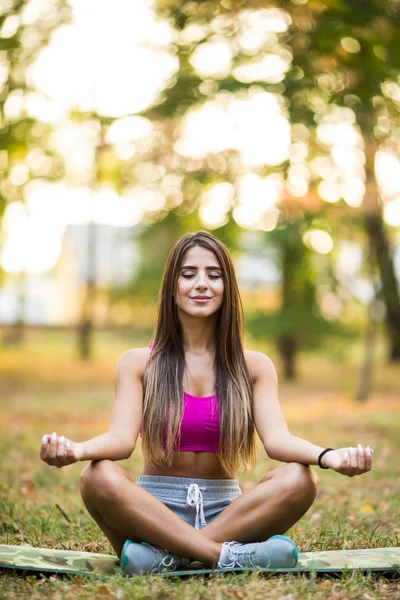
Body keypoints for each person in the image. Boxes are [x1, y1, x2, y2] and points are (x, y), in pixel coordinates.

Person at [40, 230, 373, 575]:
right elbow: (120, 442)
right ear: (172, 287)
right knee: (96, 476)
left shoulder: (254, 366)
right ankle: (222, 557)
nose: (201, 284)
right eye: (188, 275)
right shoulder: (138, 363)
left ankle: (165, 559)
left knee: (301, 480)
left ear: (227, 288)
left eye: (214, 275)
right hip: (151, 511)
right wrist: (77, 450)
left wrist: (328, 456)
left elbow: (278, 442)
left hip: (226, 514)